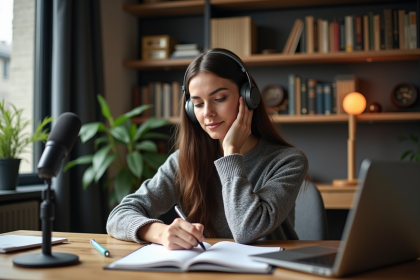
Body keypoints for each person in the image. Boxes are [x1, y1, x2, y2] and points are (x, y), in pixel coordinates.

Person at [106, 48, 308, 250]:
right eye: (198, 103)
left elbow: (247, 230)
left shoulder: (289, 161)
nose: (208, 113)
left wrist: (231, 151)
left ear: (247, 97)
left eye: (219, 99)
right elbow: (119, 215)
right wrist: (160, 232)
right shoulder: (184, 161)